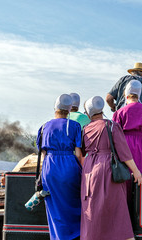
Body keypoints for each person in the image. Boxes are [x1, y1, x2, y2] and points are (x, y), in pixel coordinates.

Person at [81, 96, 142, 240]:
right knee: (116, 207)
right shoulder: (111, 125)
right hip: (108, 168)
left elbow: (82, 152)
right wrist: (136, 171)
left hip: (89, 170)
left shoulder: (85, 128)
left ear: (88, 113)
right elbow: (124, 152)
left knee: (92, 207)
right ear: (102, 109)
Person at [37, 94, 82, 240]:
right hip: (69, 166)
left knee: (54, 209)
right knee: (75, 204)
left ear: (55, 108)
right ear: (69, 110)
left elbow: (43, 153)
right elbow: (79, 154)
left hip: (50, 167)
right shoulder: (74, 126)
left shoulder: (44, 126)